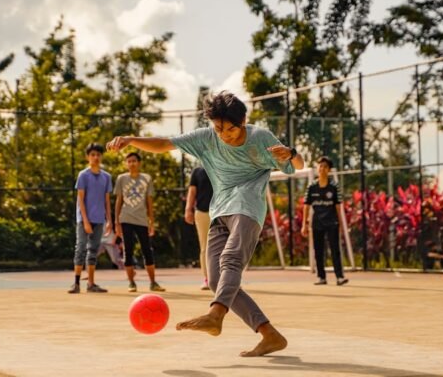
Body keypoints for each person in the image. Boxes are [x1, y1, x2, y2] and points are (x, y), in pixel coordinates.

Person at [107, 91, 304, 357]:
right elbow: (165, 143)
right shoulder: (206, 137)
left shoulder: (261, 138)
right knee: (215, 279)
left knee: (231, 261)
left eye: (230, 129)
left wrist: (292, 153)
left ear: (243, 120)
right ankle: (270, 335)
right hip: (219, 210)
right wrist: (132, 140)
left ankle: (215, 315)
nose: (224, 135)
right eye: (219, 129)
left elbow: (298, 164)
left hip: (247, 207)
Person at [114, 152, 165, 293]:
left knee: (147, 251)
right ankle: (131, 282)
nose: (132, 163)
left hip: (142, 220)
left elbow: (149, 201)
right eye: (129, 161)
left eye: (134, 161)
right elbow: (119, 200)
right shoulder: (121, 179)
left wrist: (151, 221)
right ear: (126, 163)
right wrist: (116, 222)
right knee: (128, 250)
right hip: (126, 219)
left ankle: (153, 282)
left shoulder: (146, 178)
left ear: (139, 163)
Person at [69, 143, 113, 294]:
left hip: (99, 219)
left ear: (101, 157)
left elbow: (107, 200)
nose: (95, 157)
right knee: (80, 248)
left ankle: (91, 284)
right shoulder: (83, 175)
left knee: (93, 250)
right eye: (92, 155)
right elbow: (80, 200)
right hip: (84, 220)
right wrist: (85, 221)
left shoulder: (106, 177)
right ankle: (76, 283)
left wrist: (109, 221)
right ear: (88, 157)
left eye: (98, 155)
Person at [301, 156, 348, 286]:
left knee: (335, 250)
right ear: (317, 168)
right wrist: (304, 224)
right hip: (317, 223)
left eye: (325, 167)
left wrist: (341, 225)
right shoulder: (311, 187)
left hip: (332, 223)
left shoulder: (334, 187)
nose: (322, 169)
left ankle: (339, 277)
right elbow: (306, 206)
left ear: (329, 170)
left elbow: (338, 207)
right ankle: (321, 277)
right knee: (318, 250)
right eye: (320, 166)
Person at [185, 166, 213, 290]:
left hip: (223, 211)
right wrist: (188, 209)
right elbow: (192, 191)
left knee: (226, 246)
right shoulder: (198, 171)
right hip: (202, 212)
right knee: (205, 247)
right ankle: (208, 279)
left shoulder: (223, 164)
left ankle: (228, 280)